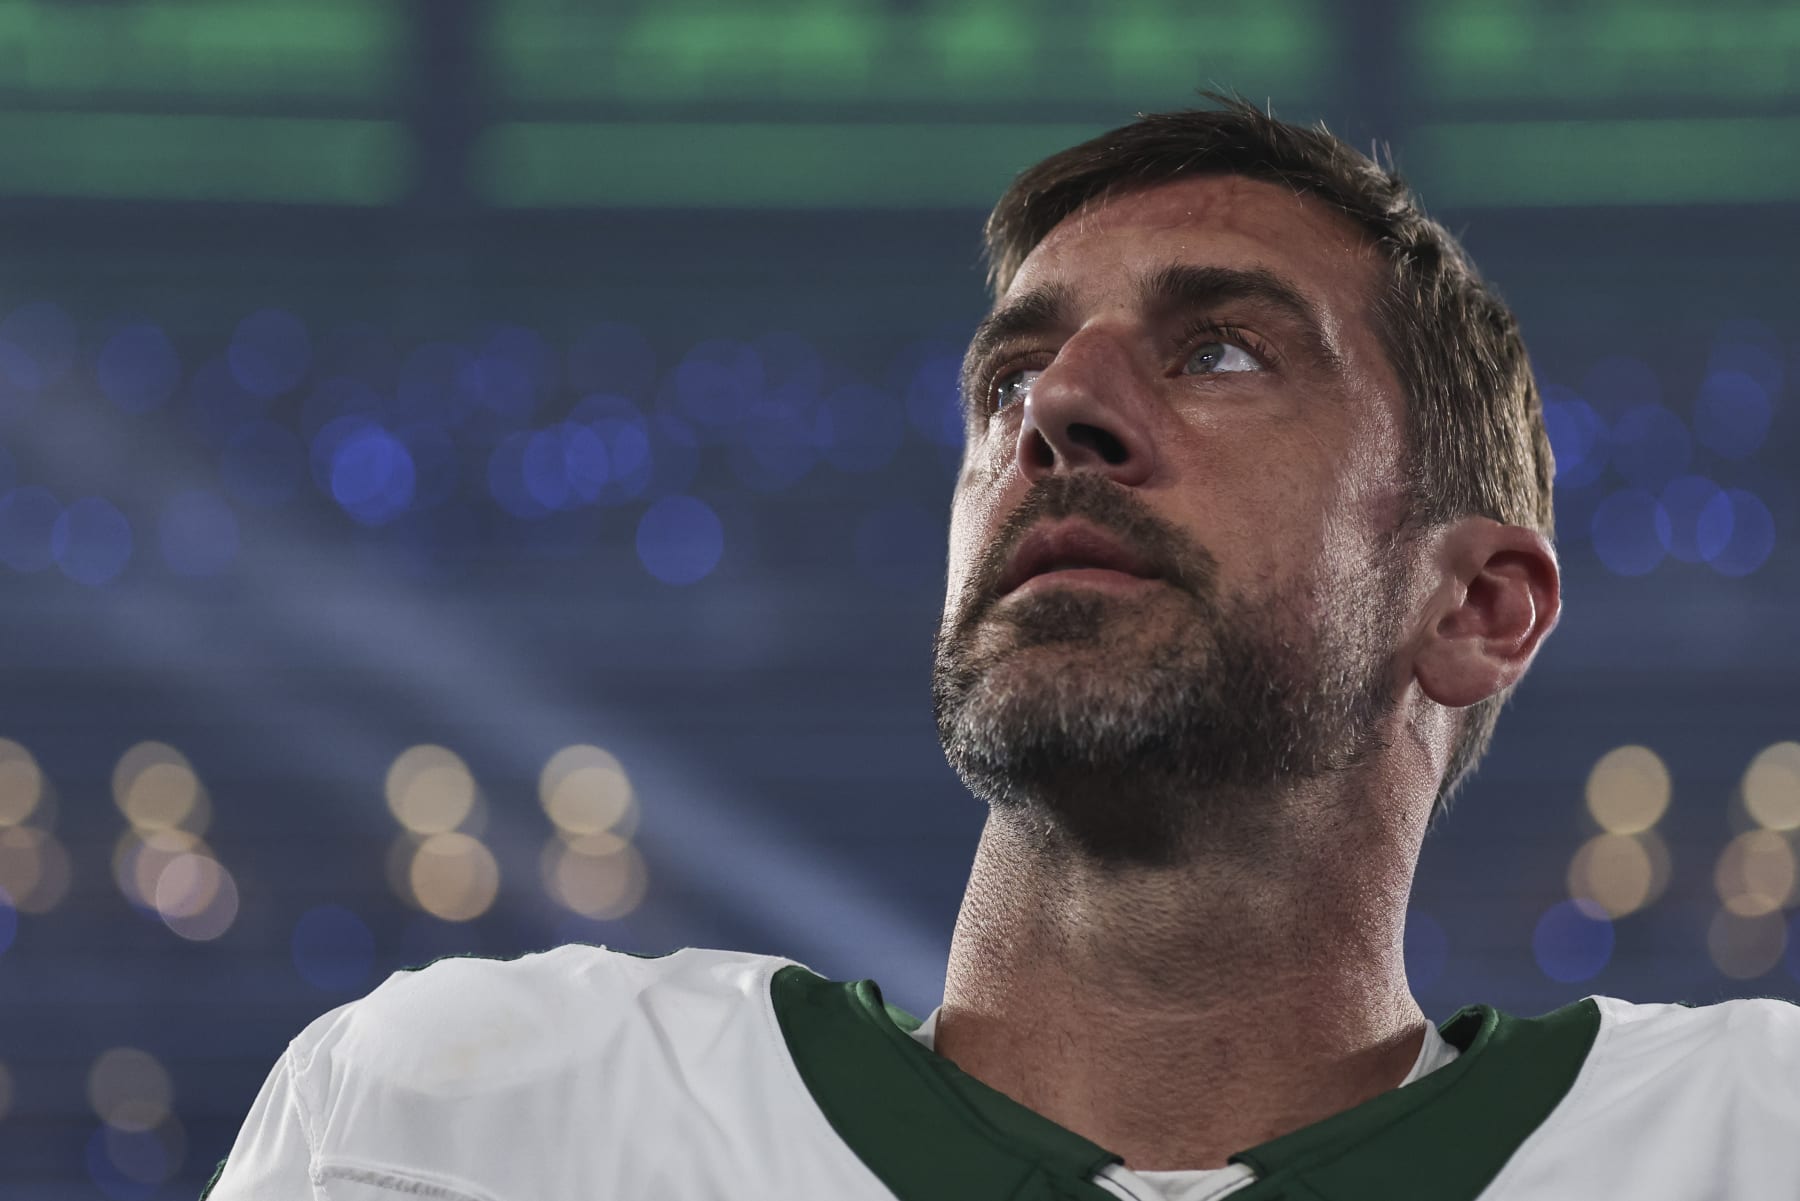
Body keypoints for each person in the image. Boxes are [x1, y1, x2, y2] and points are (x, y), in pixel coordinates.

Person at [201, 94, 1799, 1201]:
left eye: (1222, 348)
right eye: (1004, 379)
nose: (1056, 413)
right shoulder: (456, 1124)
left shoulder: (1753, 1140)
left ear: (1475, 607)